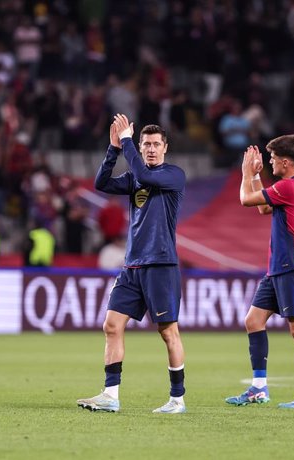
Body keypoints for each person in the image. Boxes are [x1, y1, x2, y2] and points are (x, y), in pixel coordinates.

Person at [77, 114, 187, 414]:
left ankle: (177, 399)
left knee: (168, 332)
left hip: (161, 265)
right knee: (111, 325)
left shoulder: (173, 175)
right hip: (132, 267)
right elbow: (101, 182)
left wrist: (127, 142)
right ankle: (110, 395)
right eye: (146, 144)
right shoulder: (135, 176)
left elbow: (148, 176)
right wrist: (113, 148)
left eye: (155, 144)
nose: (151, 149)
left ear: (165, 148)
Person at [226, 135, 294, 409]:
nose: (269, 162)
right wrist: (257, 177)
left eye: (272, 159)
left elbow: (246, 200)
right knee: (253, 321)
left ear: (286, 162)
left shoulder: (289, 187)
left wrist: (246, 173)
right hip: (279, 268)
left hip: (292, 266)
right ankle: (258, 388)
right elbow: (264, 208)